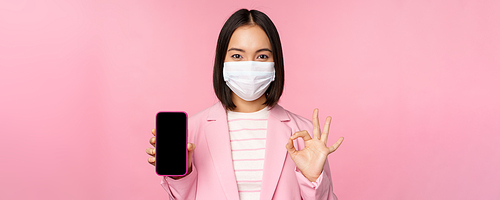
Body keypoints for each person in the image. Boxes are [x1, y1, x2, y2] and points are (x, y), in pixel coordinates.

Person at [146, 9, 344, 200]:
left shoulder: (305, 134)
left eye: (262, 56)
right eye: (237, 56)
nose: (249, 65)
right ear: (222, 62)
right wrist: (181, 175)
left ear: (276, 64)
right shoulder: (191, 132)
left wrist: (313, 180)